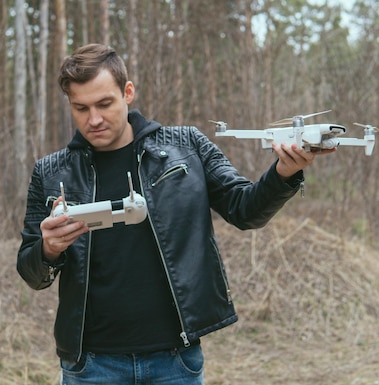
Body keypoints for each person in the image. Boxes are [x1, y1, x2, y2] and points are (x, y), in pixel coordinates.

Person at [16, 43, 335, 385]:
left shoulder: (186, 145)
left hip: (175, 362)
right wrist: (49, 249)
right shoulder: (51, 172)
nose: (93, 119)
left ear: (128, 92)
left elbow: (246, 210)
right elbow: (32, 272)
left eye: (104, 104)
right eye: (81, 108)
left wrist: (283, 174)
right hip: (91, 366)